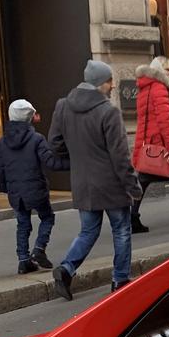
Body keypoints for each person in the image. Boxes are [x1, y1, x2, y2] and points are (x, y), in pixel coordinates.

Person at [48, 59, 142, 299]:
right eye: (110, 81)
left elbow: (55, 144)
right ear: (101, 82)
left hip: (82, 182)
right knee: (121, 230)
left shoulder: (63, 106)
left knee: (88, 231)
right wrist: (134, 187)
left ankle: (66, 269)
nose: (112, 86)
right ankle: (120, 280)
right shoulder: (108, 111)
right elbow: (120, 157)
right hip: (111, 184)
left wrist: (79, 160)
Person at [0, 98, 67, 274]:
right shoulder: (36, 139)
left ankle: (23, 260)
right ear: (28, 118)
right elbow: (50, 162)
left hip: (16, 192)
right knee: (47, 217)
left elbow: (0, 168)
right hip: (36, 189)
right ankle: (39, 249)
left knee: (23, 224)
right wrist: (72, 163)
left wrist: (5, 187)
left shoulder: (3, 142)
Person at [131, 55, 169, 234]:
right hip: (159, 144)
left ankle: (132, 218)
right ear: (159, 71)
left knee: (144, 182)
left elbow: (148, 120)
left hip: (148, 143)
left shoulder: (144, 88)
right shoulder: (159, 88)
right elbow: (163, 120)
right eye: (167, 69)